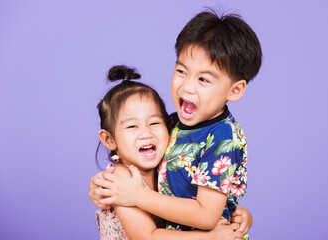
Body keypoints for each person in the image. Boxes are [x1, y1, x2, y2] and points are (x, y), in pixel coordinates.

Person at [91, 9, 261, 239]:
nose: (187, 87)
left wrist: (138, 196)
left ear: (235, 89)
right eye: (182, 71)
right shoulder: (169, 124)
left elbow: (206, 215)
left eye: (203, 79)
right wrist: (99, 186)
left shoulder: (222, 138)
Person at [93, 65, 246, 240]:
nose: (146, 133)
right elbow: (146, 236)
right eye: (132, 126)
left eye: (154, 123)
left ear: (169, 125)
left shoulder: (165, 163)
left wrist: (240, 215)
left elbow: (197, 203)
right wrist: (211, 237)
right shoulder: (121, 180)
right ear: (109, 140)